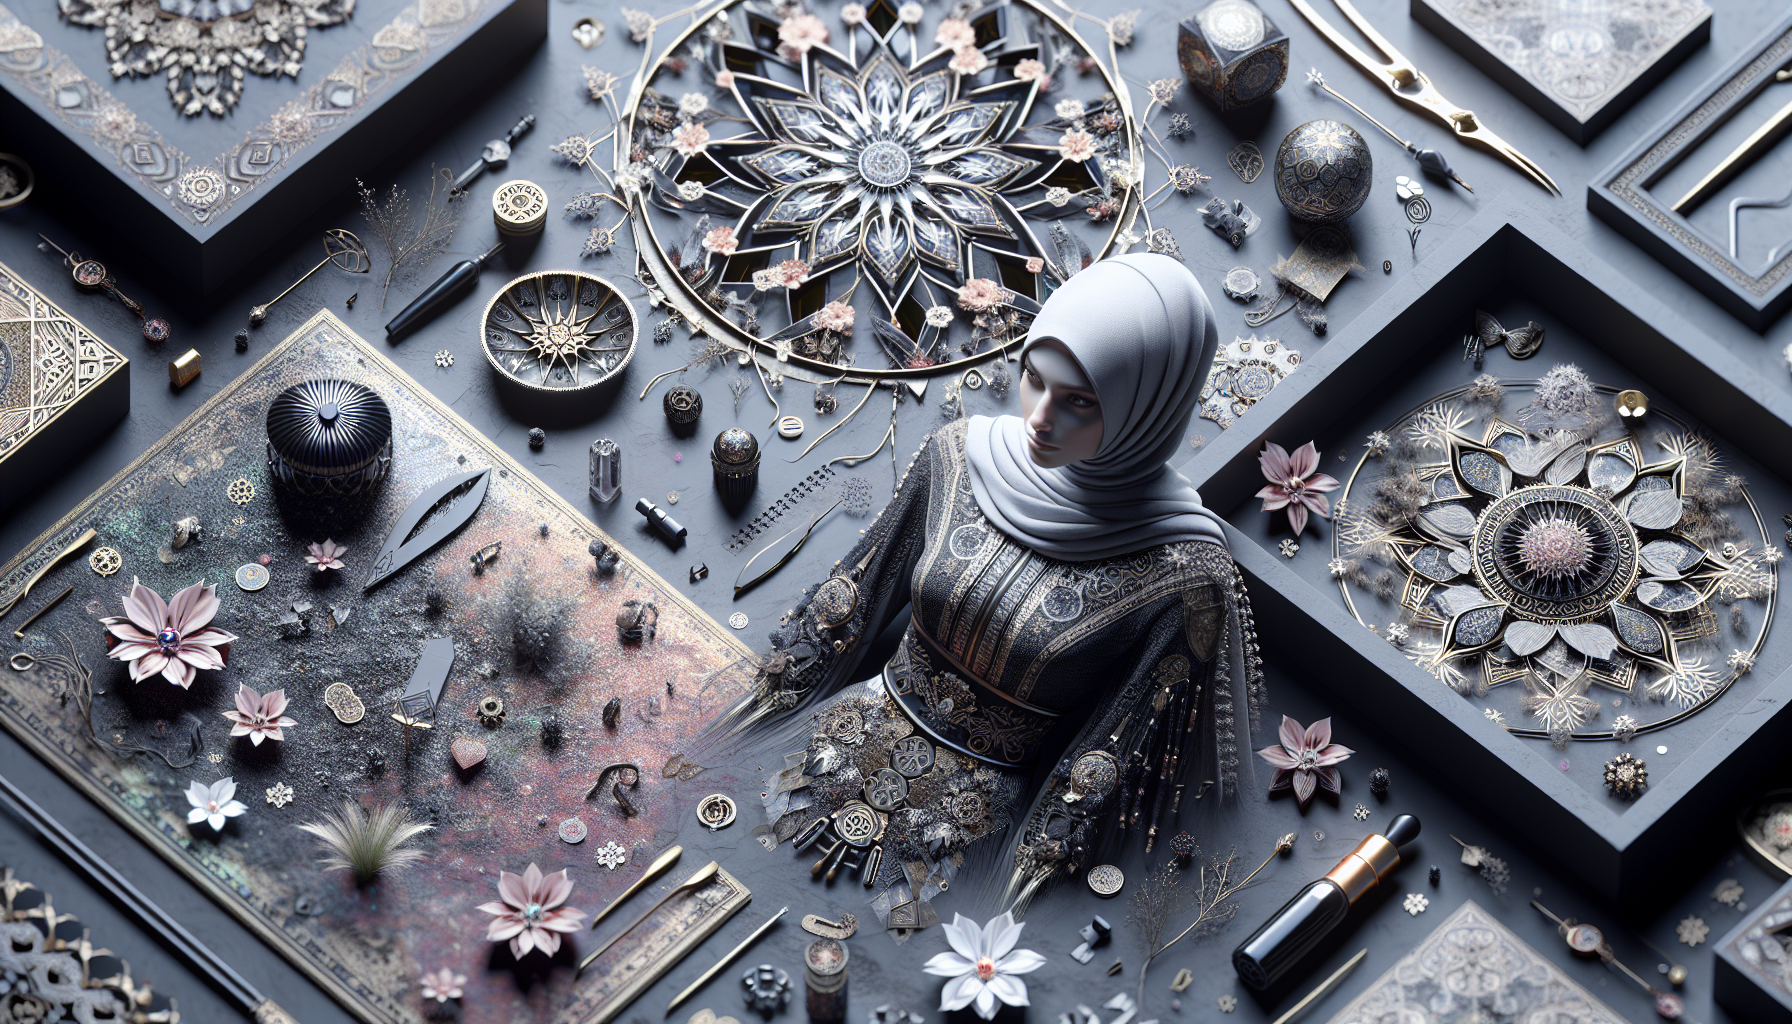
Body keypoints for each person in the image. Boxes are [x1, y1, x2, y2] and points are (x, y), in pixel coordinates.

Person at [726, 253, 1265, 919]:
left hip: (971, 837)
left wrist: (1025, 882)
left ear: (1146, 407)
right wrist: (753, 715)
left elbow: (1106, 753)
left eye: (1079, 403)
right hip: (825, 748)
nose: (1040, 419)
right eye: (1033, 380)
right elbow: (850, 601)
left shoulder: (1183, 576)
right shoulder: (961, 455)